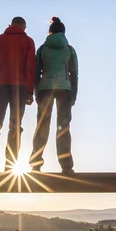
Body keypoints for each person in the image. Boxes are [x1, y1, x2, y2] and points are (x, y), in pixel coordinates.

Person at [0, 16, 36, 174]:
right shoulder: (28, 41)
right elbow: (30, 67)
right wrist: (30, 91)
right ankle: (9, 167)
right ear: (24, 27)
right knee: (15, 128)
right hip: (19, 87)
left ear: (10, 25)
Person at [29, 17, 78, 175]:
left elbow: (36, 71)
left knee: (42, 125)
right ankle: (66, 166)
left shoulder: (43, 48)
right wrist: (74, 95)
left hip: (45, 88)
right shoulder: (69, 49)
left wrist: (36, 91)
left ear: (50, 32)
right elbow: (74, 74)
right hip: (65, 89)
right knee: (63, 128)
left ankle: (36, 165)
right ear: (64, 32)